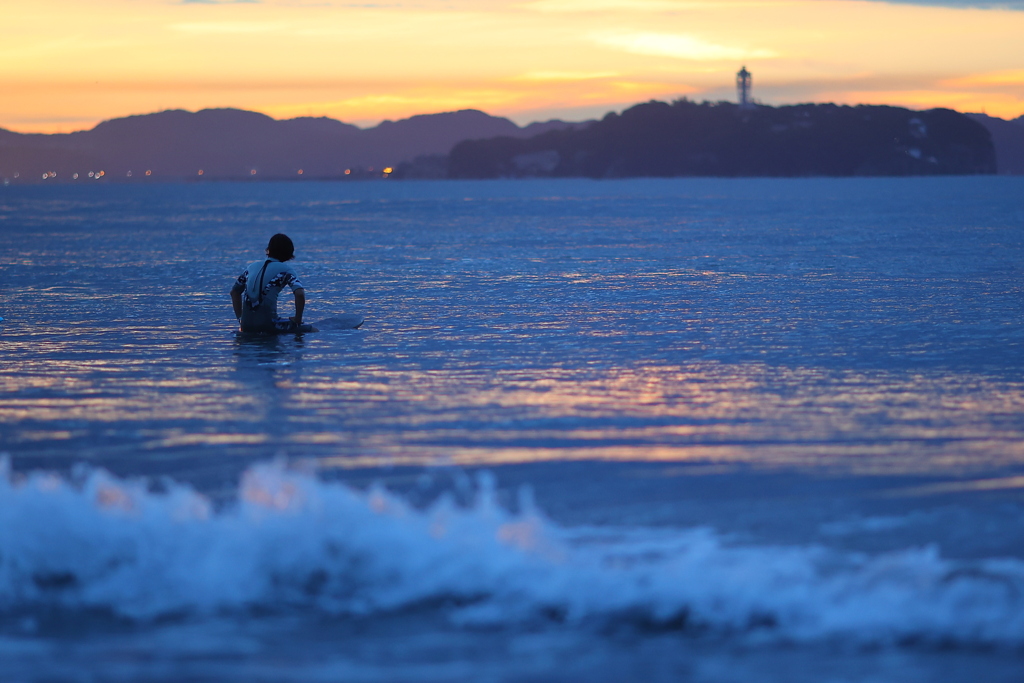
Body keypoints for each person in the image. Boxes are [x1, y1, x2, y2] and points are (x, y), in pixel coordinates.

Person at [230, 233, 308, 333]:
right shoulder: (286, 270)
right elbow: (300, 293)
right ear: (289, 252)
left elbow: (234, 292)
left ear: (269, 249)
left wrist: (241, 320)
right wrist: (298, 319)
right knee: (314, 330)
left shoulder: (251, 267)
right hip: (270, 326)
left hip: (246, 327)